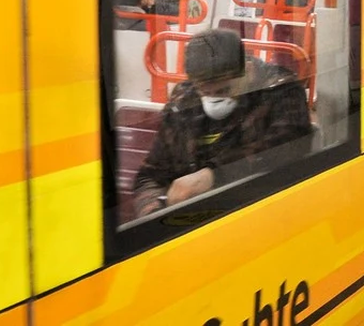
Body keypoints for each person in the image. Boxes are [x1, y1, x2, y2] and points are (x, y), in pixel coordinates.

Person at [133, 29, 313, 218]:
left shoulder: (281, 92)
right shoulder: (184, 101)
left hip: (258, 214)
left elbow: (286, 149)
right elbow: (149, 176)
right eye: (204, 90)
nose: (213, 98)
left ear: (248, 71)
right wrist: (154, 214)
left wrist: (214, 175)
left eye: (223, 90)